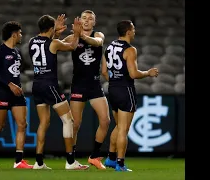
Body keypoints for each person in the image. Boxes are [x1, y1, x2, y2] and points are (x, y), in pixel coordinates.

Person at [29, 14, 88, 170]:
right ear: (50, 29)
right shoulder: (53, 43)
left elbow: (45, 43)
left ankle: (39, 162)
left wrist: (56, 32)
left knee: (43, 123)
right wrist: (76, 33)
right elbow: (72, 46)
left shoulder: (31, 42)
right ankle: (70, 162)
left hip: (36, 84)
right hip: (50, 85)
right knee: (68, 121)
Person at [101, 20, 159, 171]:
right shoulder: (130, 50)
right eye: (133, 29)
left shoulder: (110, 46)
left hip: (112, 89)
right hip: (125, 91)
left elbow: (104, 72)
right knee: (123, 130)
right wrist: (148, 73)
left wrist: (115, 82)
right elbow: (133, 74)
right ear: (128, 32)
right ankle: (120, 164)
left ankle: (111, 159)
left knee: (119, 126)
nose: (134, 31)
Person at [61, 10, 110, 169]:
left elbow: (97, 43)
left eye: (90, 19)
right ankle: (71, 160)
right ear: (80, 21)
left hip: (95, 84)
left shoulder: (98, 35)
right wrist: (56, 32)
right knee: (75, 124)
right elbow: (56, 45)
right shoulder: (72, 37)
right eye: (84, 18)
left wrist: (81, 36)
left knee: (105, 120)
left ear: (94, 23)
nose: (87, 21)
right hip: (78, 84)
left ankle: (95, 156)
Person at [0, 21, 33, 169]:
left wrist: (15, 85)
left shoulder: (17, 52)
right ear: (14, 34)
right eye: (20, 33)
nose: (21, 35)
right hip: (4, 92)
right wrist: (10, 84)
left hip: (17, 93)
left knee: (22, 124)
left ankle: (18, 161)